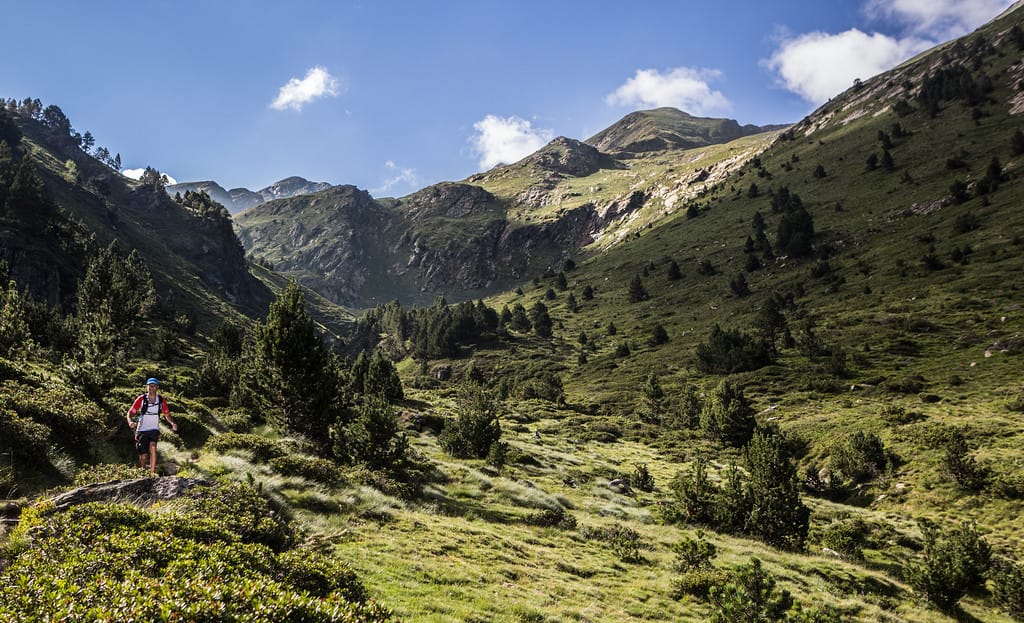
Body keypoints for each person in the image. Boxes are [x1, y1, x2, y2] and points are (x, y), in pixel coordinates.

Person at [127, 377, 177, 473]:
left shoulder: (161, 400)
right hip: (141, 429)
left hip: (154, 429)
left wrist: (172, 423)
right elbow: (130, 413)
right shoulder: (141, 399)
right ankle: (142, 472)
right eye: (150, 386)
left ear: (157, 387)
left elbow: (167, 414)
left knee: (153, 446)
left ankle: (152, 473)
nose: (151, 388)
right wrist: (130, 422)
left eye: (153, 386)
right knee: (143, 456)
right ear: (147, 387)